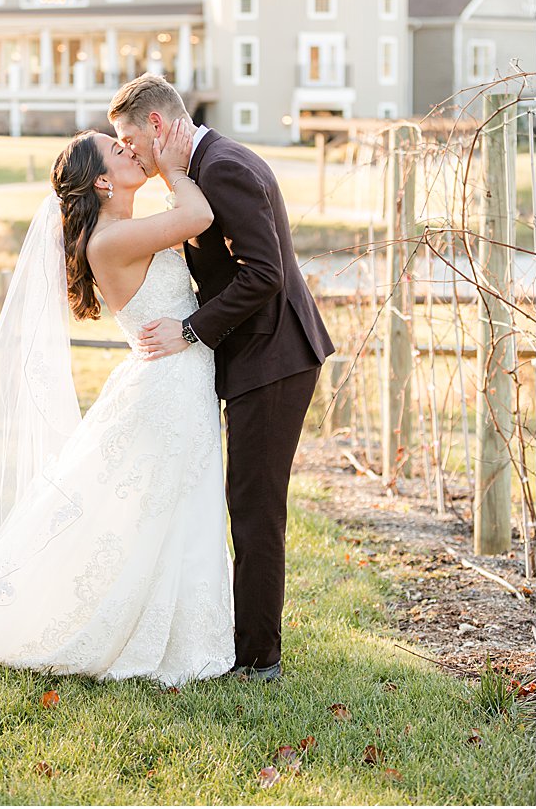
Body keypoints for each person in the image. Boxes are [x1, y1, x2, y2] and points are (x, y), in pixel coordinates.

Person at [0, 121, 235, 687]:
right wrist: (175, 169)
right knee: (161, 512)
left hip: (175, 382)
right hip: (168, 389)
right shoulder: (110, 239)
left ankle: (187, 628)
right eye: (116, 149)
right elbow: (198, 219)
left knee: (170, 514)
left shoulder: (127, 227)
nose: (129, 149)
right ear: (102, 182)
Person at [109, 75, 333, 681]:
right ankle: (249, 643)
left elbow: (263, 275)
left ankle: (260, 659)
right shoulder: (207, 165)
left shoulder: (224, 168)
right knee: (248, 502)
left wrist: (189, 331)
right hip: (262, 356)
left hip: (275, 357)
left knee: (255, 507)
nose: (126, 151)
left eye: (129, 138)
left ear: (157, 126)